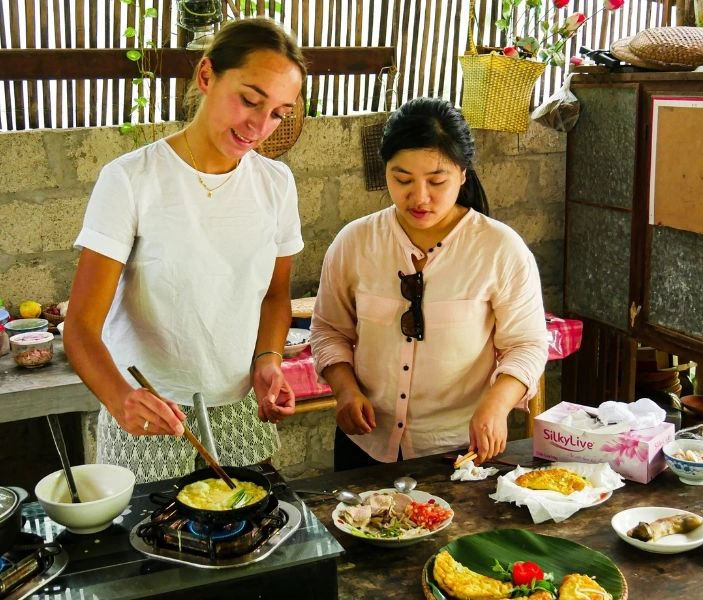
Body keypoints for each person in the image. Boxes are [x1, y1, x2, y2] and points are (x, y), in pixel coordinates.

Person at [64, 18, 306, 483]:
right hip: (151, 409)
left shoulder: (275, 184)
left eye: (278, 113)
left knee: (247, 520)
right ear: (207, 75)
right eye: (249, 100)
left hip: (238, 409)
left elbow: (275, 296)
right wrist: (121, 399)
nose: (259, 126)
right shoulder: (132, 179)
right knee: (154, 529)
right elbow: (80, 327)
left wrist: (268, 362)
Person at [309, 97, 548, 471]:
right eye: (402, 179)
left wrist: (497, 404)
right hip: (365, 443)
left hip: (456, 450)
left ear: (463, 174)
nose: (419, 197)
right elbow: (329, 330)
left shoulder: (500, 249)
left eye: (437, 181)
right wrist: (345, 390)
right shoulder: (354, 242)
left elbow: (527, 344)